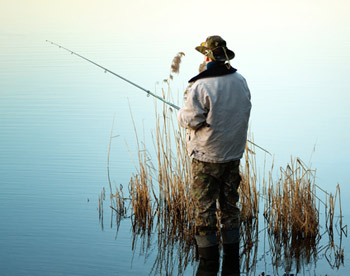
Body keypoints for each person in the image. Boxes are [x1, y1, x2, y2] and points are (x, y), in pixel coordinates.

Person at [177, 36, 252, 276]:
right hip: (232, 155)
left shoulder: (201, 86)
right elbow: (244, 109)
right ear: (225, 57)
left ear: (208, 57)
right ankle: (232, 256)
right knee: (230, 205)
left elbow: (191, 120)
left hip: (206, 157)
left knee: (204, 208)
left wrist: (180, 114)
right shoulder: (240, 81)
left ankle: (208, 261)